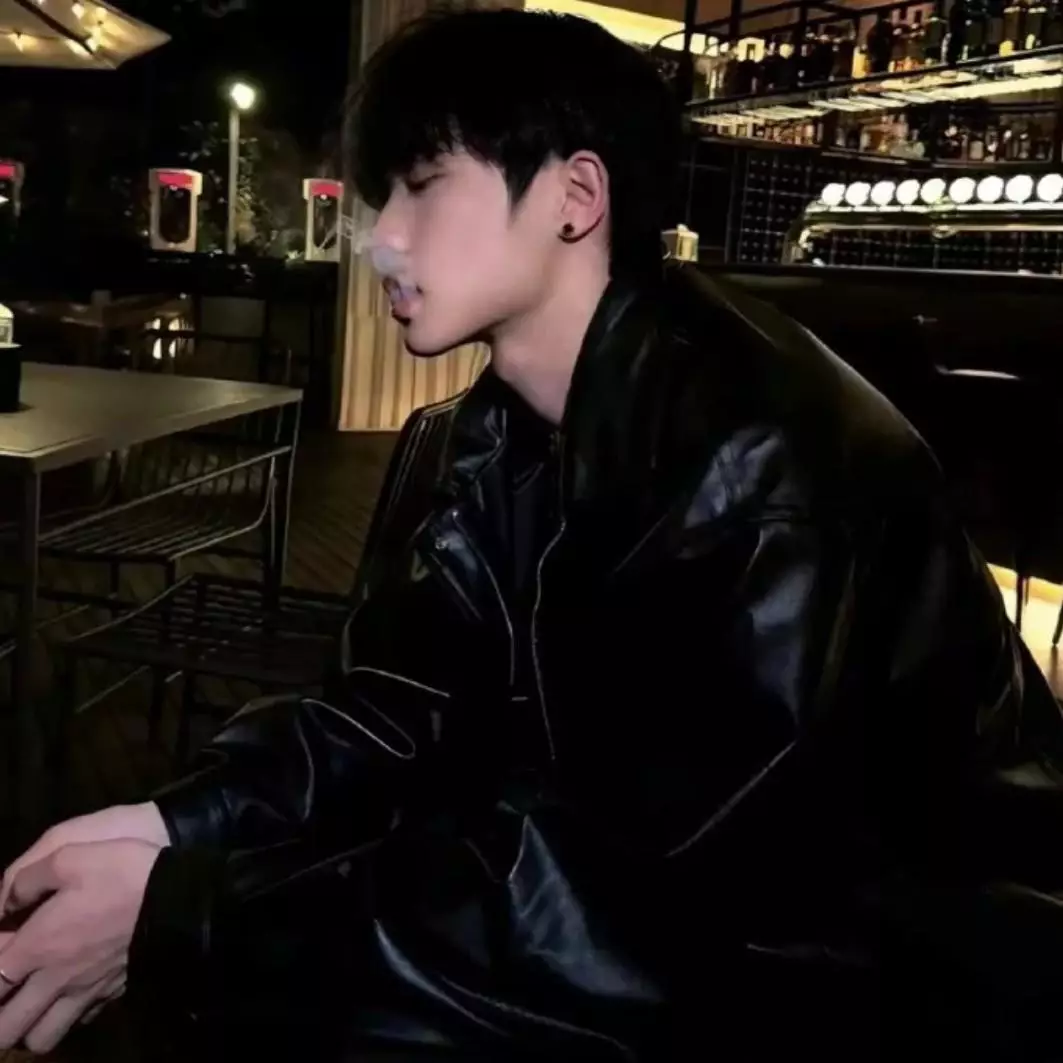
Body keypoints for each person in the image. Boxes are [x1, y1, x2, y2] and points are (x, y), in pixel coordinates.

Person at [2, 8, 1063, 1061]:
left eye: (424, 184)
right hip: (664, 935)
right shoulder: (486, 431)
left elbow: (648, 908)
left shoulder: (755, 457)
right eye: (383, 194)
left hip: (896, 986)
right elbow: (399, 709)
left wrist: (183, 913)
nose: (380, 236)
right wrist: (175, 825)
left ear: (575, 197)